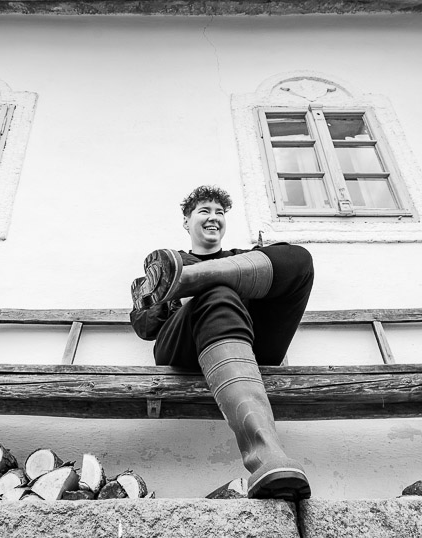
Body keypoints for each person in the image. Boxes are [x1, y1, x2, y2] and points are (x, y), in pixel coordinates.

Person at [129, 185, 314, 501]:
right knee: (218, 294)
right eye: (204, 211)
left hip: (251, 345)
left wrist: (190, 280)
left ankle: (190, 279)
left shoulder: (244, 259)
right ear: (186, 221)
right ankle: (267, 457)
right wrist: (170, 298)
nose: (213, 217)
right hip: (183, 349)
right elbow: (145, 327)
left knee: (299, 259)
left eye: (219, 212)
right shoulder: (163, 267)